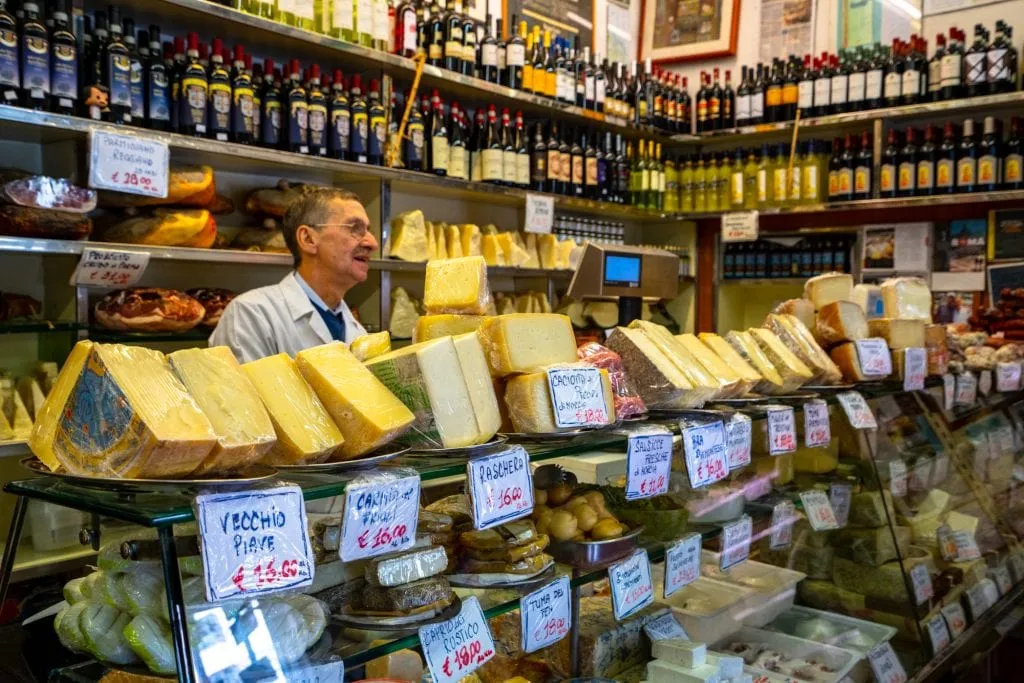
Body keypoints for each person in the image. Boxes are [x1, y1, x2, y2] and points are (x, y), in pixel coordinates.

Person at [210, 188, 376, 362]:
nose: (372, 243)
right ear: (308, 239)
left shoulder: (356, 331)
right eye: (355, 228)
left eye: (368, 230)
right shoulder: (251, 315)